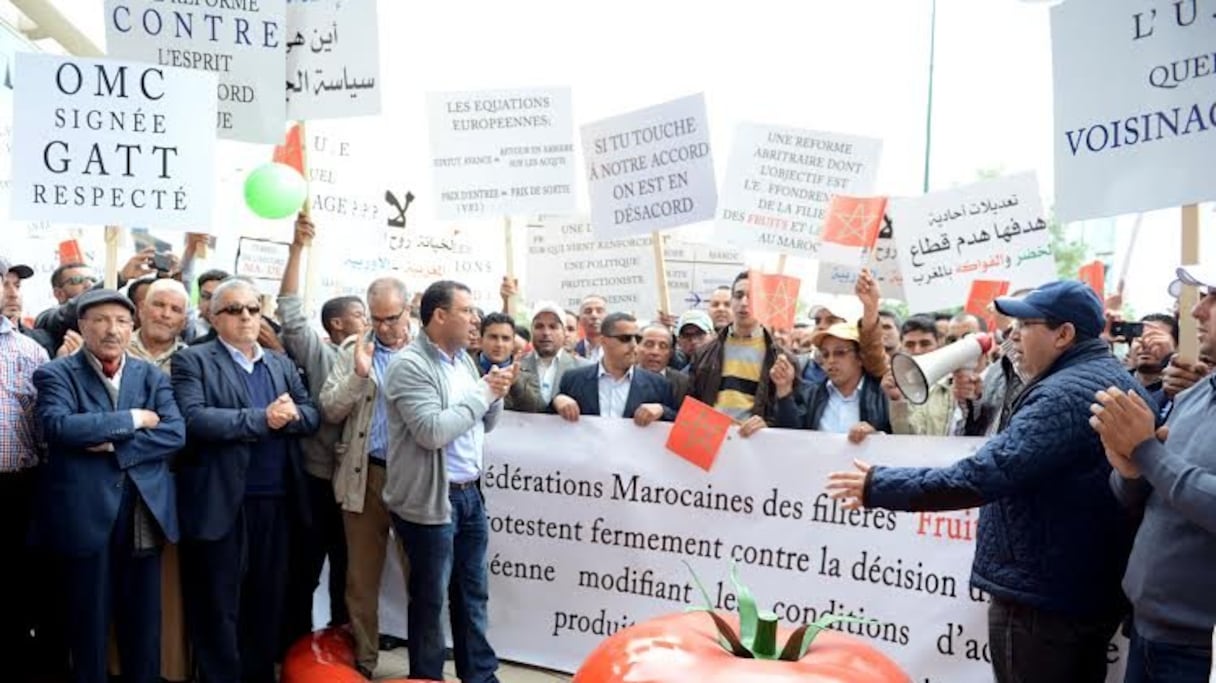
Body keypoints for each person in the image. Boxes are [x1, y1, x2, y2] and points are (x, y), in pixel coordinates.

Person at [826, 280, 1150, 683]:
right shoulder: (1095, 378)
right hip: (1070, 588)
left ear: (1064, 334)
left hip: (1042, 601)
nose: (1012, 334)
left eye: (1025, 325)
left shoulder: (1061, 395)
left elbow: (986, 473)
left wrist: (880, 485)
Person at [171, 278, 320, 683]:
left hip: (277, 502)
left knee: (266, 600)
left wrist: (291, 416)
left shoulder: (280, 363)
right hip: (222, 503)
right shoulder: (193, 361)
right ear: (213, 317)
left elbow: (311, 415)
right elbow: (193, 419)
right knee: (219, 603)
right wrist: (262, 419)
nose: (246, 317)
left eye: (253, 308)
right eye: (234, 310)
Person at [33, 289, 185, 683]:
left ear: (131, 326)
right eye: (100, 320)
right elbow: (60, 427)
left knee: (143, 618)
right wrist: (134, 418)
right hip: (85, 513)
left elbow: (175, 433)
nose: (111, 329)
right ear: (82, 326)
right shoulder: (56, 373)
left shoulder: (150, 374)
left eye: (120, 321)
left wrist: (111, 445)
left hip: (142, 510)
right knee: (89, 618)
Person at [382, 280, 514, 682]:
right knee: (429, 601)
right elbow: (432, 432)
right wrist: (483, 394)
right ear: (439, 316)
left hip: (469, 494)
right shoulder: (410, 365)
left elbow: (485, 423)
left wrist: (496, 391)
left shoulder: (464, 361)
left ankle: (479, 676)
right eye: (467, 310)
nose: (475, 319)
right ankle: (427, 677)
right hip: (430, 501)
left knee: (472, 595)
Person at [1089, 264, 1216, 683]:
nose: (1197, 311)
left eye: (1213, 298)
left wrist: (1144, 451)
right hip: (1148, 629)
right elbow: (1144, 494)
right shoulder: (1197, 391)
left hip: (1198, 650)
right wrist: (1129, 469)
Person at [276, 215, 364, 650]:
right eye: (359, 316)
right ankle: (293, 643)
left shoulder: (383, 359)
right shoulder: (320, 355)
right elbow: (290, 314)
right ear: (336, 326)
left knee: (351, 568)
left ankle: (343, 644)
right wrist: (297, 250)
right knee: (306, 564)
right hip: (316, 478)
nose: (368, 322)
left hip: (358, 484)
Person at [319, 276, 412, 678]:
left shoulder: (432, 350)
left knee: (422, 576)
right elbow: (329, 408)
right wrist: (359, 374)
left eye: (392, 317)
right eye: (376, 318)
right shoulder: (353, 349)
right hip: (365, 475)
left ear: (408, 311)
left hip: (415, 480)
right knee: (361, 577)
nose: (385, 327)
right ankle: (365, 659)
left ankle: (424, 659)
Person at [124, 277, 190, 682]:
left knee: (162, 590)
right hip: (106, 488)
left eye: (175, 309)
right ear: (141, 308)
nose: (165, 314)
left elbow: (180, 430)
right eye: (158, 305)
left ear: (185, 319)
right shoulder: (103, 347)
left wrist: (115, 440)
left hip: (167, 486)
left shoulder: (192, 360)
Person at [0, 257, 50, 683]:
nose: (13, 291)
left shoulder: (30, 349)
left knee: (18, 582)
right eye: (4, 282)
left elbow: (41, 422)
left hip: (18, 486)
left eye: (16, 284)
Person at [774, 322, 891, 440]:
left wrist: (876, 437)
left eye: (840, 353)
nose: (831, 360)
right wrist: (784, 389)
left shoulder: (883, 395)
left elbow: (900, 438)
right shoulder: (810, 395)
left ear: (860, 357)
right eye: (825, 354)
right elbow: (790, 437)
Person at [552, 313, 675, 425]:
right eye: (625, 339)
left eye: (637, 339)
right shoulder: (574, 379)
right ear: (603, 341)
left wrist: (662, 411)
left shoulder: (658, 384)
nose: (634, 345)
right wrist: (557, 401)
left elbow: (676, 424)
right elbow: (548, 424)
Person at [509, 302, 584, 413]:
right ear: (531, 331)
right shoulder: (515, 367)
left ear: (564, 332)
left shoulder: (582, 368)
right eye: (539, 326)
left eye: (553, 327)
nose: (546, 333)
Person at [885, 315, 953, 436]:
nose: (917, 351)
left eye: (925, 343)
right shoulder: (893, 386)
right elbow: (903, 438)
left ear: (938, 343)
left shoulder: (953, 384)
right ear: (901, 346)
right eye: (910, 345)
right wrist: (897, 401)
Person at [638, 322, 689, 406]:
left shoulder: (683, 384)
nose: (655, 352)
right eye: (649, 344)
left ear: (671, 353)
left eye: (663, 346)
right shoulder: (625, 376)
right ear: (637, 347)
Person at [574, 294, 607, 361]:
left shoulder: (618, 349)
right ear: (580, 319)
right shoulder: (573, 351)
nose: (594, 316)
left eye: (599, 311)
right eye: (588, 311)